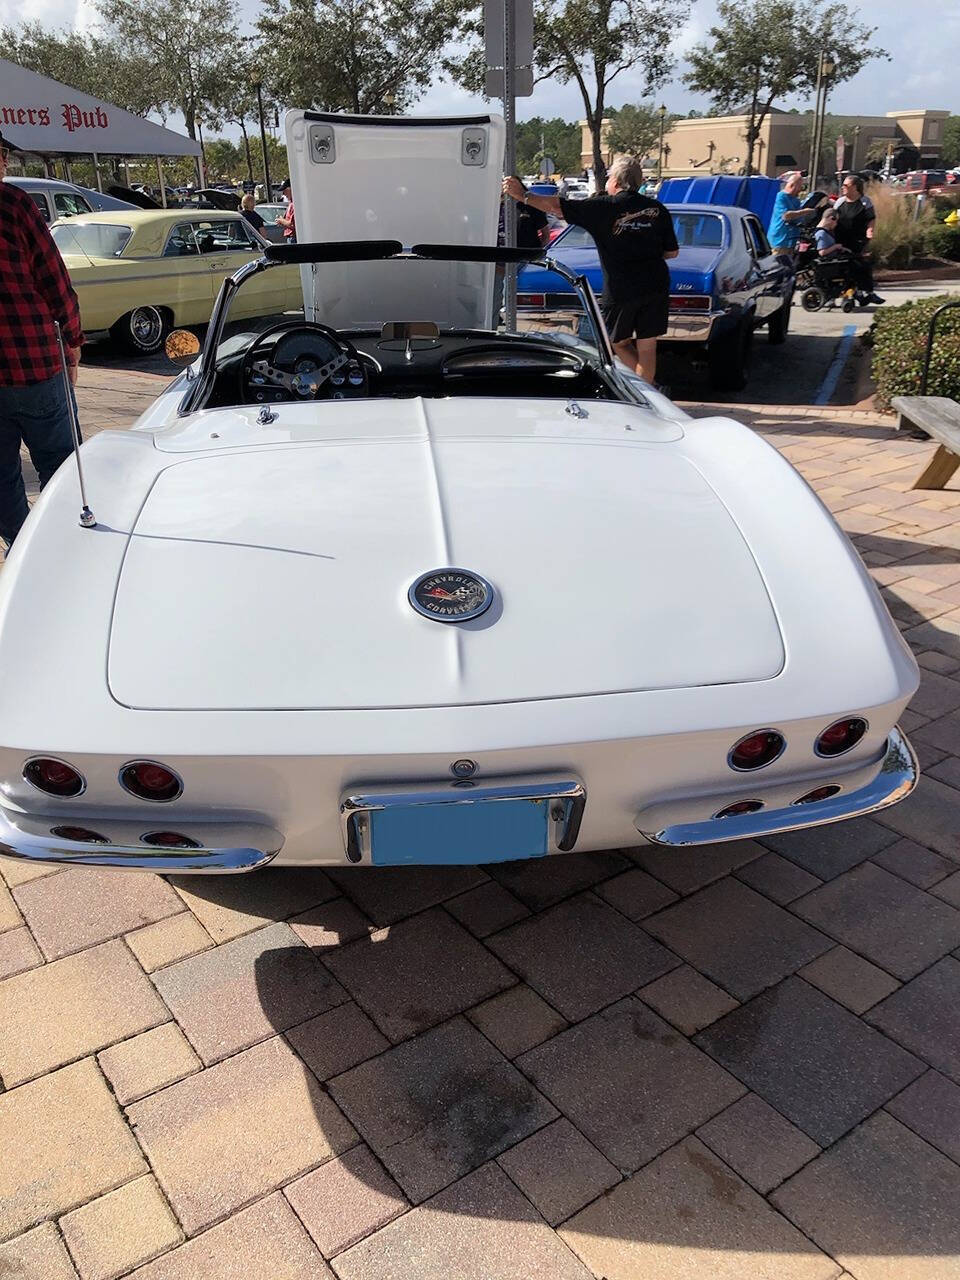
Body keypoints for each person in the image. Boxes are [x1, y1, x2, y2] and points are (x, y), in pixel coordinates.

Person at [503, 155, 678, 383]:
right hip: (656, 283)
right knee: (647, 346)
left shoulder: (603, 207)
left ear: (615, 181)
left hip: (622, 287)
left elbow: (557, 207)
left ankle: (647, 392)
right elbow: (672, 252)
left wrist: (523, 196)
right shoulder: (658, 209)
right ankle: (650, 391)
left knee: (617, 342)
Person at [0, 129, 84, 549]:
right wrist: (73, 340)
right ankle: (63, 546)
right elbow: (55, 282)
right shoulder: (14, 206)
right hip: (34, 364)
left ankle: (20, 549)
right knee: (63, 466)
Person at [833, 175, 884, 305]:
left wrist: (870, 230)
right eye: (843, 185)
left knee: (862, 266)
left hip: (858, 240)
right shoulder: (840, 202)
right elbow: (831, 218)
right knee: (844, 267)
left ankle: (867, 292)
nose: (843, 188)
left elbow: (871, 219)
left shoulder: (865, 202)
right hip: (840, 240)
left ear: (855, 187)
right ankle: (842, 294)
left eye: (846, 185)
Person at [767, 172, 807, 253]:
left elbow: (798, 219)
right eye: (799, 187)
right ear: (792, 185)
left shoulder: (796, 200)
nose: (800, 190)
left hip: (791, 241)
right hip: (780, 240)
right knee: (777, 263)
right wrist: (804, 211)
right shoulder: (781, 197)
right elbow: (786, 216)